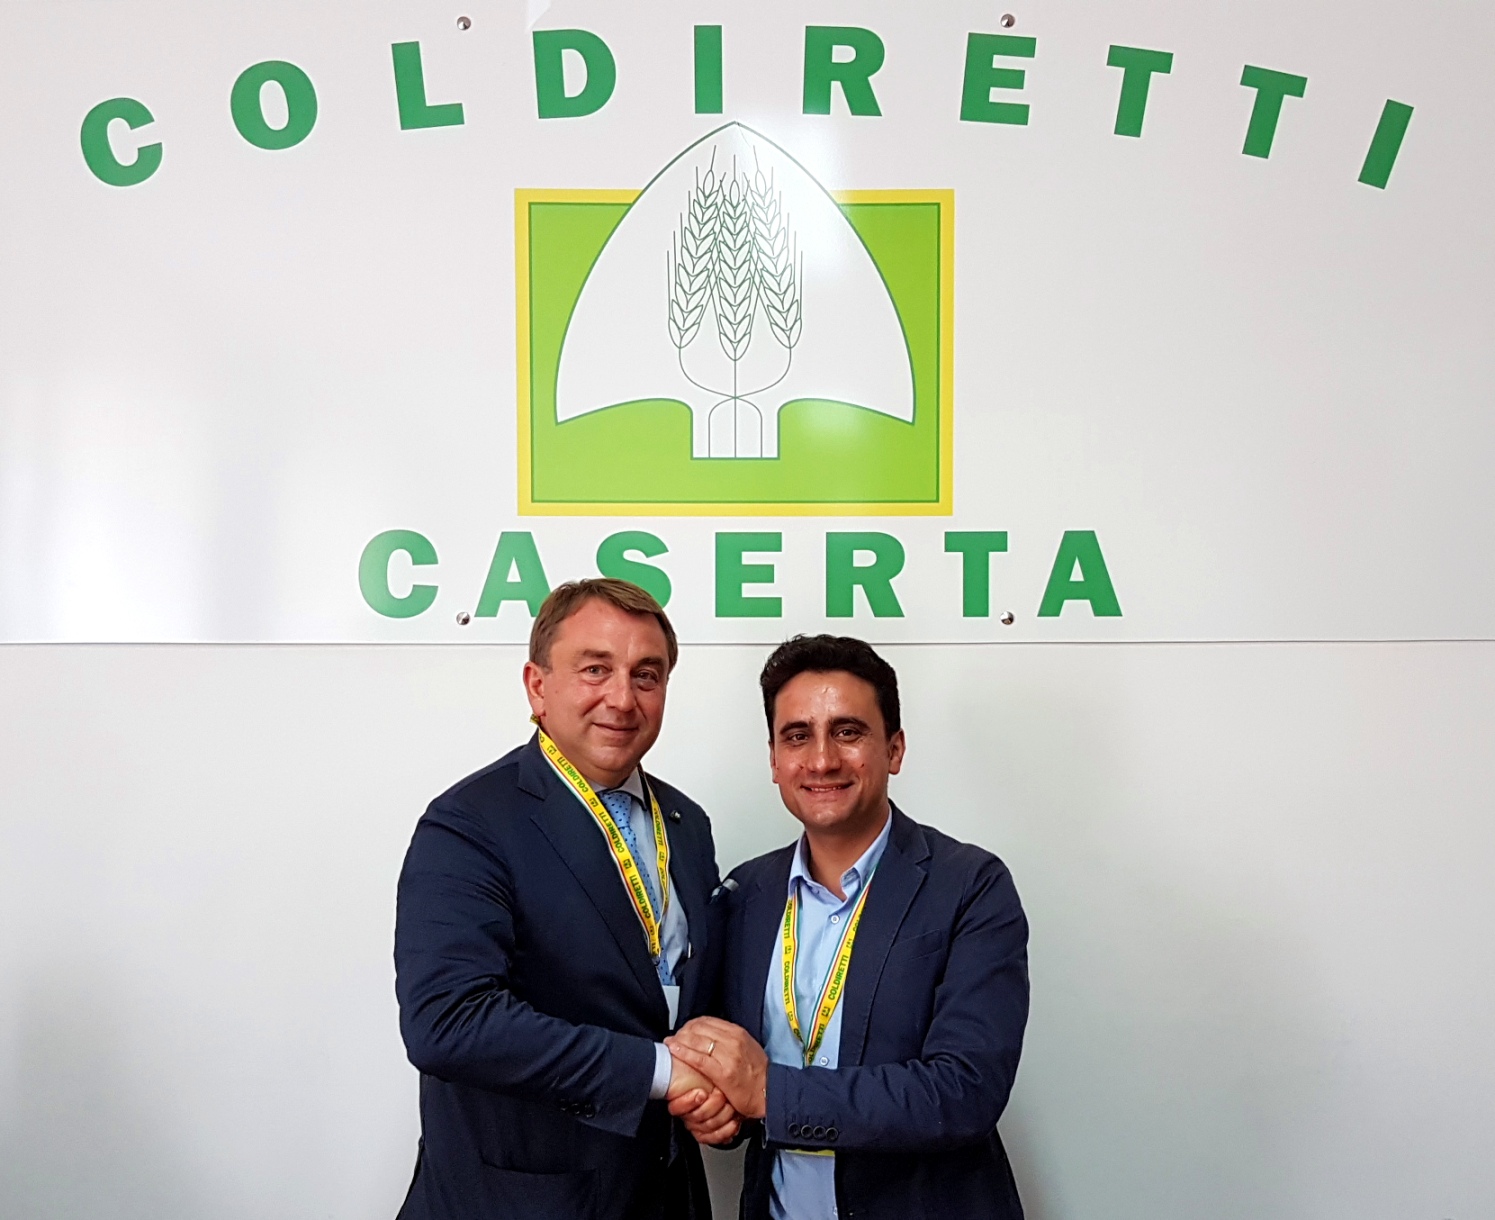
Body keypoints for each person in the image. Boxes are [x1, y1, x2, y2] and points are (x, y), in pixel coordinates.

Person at [393, 579, 737, 1220]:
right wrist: (661, 1072)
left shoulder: (687, 824)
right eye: (595, 669)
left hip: (664, 1196)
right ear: (537, 686)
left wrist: (722, 1087)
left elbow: (673, 997)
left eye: (646, 675)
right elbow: (448, 1023)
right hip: (522, 1204)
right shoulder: (469, 823)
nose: (622, 698)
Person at [666, 634, 1030, 1220]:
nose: (822, 760)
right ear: (774, 760)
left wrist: (770, 1093)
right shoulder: (744, 895)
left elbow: (965, 1092)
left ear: (895, 749)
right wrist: (721, 1109)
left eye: (848, 732)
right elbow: (737, 1080)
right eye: (797, 736)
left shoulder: (970, 885)